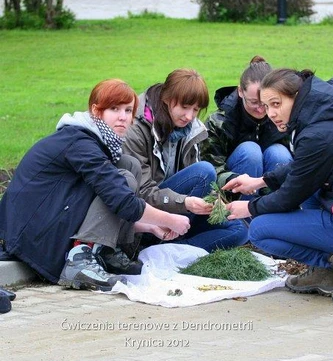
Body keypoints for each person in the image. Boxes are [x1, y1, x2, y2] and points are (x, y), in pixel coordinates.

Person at [222, 68, 333, 303]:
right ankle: (328, 272)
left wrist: (249, 208)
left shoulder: (317, 131)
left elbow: (290, 195)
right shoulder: (326, 112)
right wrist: (261, 180)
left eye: (276, 104)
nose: (271, 114)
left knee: (259, 230)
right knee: (307, 191)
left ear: (296, 95)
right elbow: (306, 166)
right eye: (267, 107)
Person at [0, 79, 191, 292]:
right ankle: (79, 260)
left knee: (130, 165)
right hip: (33, 232)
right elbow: (120, 200)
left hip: (51, 218)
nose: (123, 117)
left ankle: (106, 250)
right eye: (114, 109)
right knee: (123, 178)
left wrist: (151, 227)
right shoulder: (80, 142)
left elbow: (97, 207)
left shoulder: (100, 143)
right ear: (95, 110)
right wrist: (170, 219)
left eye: (128, 110)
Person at [122, 68, 248, 251]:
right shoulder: (136, 128)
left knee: (239, 229)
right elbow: (142, 193)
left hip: (181, 212)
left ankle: (173, 250)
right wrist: (185, 202)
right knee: (204, 172)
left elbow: (197, 186)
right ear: (166, 98)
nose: (189, 116)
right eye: (184, 107)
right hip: (149, 217)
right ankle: (155, 245)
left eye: (195, 109)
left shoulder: (191, 128)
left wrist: (214, 202)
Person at [200, 56, 293, 198]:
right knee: (250, 151)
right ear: (240, 91)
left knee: (280, 153)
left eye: (267, 102)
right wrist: (232, 179)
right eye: (253, 102)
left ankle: (276, 209)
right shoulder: (219, 121)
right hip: (234, 188)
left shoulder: (286, 117)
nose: (261, 109)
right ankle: (244, 212)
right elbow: (209, 166)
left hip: (271, 184)